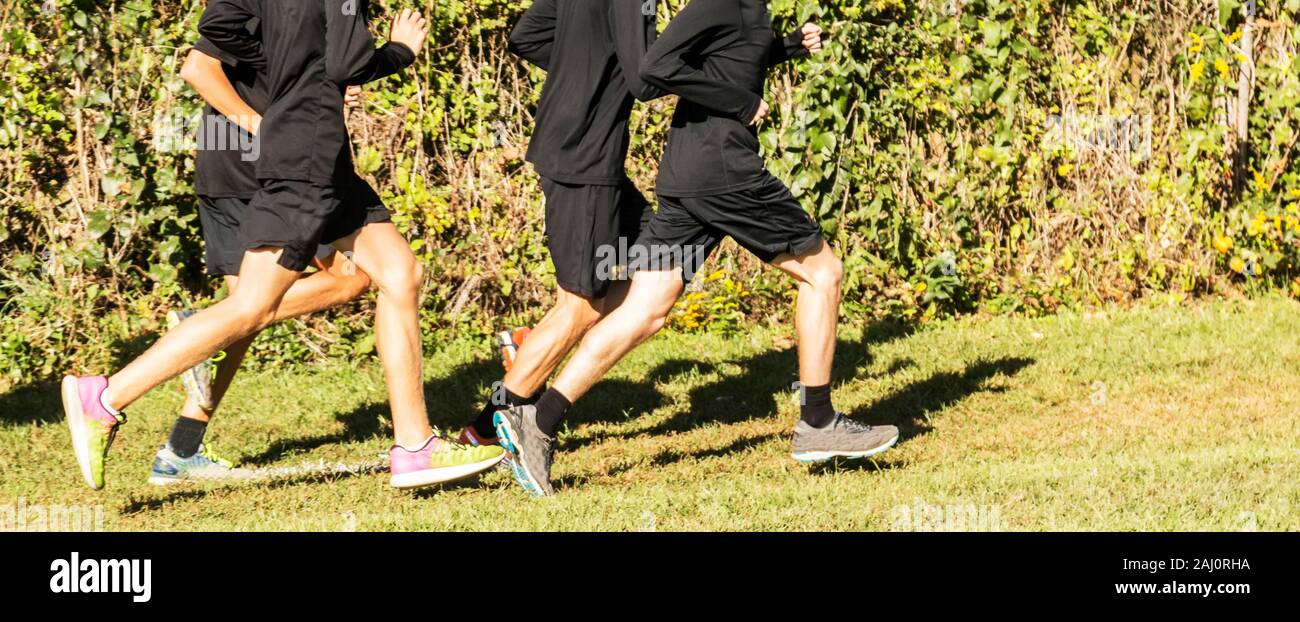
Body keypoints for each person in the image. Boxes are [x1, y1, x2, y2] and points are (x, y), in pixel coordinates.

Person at [61, 0, 503, 492]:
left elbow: (229, 27)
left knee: (398, 272)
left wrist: (301, 73)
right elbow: (344, 62)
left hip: (320, 159)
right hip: (298, 158)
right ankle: (106, 397)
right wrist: (396, 52)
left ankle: (415, 446)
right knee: (250, 308)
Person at [494, 0, 898, 496]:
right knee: (824, 274)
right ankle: (817, 420)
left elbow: (721, 56)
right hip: (727, 177)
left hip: (690, 182)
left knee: (647, 309)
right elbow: (655, 66)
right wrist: (742, 104)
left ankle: (539, 420)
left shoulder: (748, 9)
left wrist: (783, 47)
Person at [146, 33, 373, 485]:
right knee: (350, 278)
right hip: (263, 174)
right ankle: (202, 329)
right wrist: (265, 127)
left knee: (244, 315)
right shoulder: (251, 6)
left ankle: (180, 449)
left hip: (234, 170)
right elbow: (198, 68)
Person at [454, 0, 666, 451]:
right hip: (585, 163)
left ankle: (532, 342)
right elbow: (646, 77)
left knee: (660, 269)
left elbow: (525, 36)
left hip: (573, 152)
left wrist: (583, 70)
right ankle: (486, 425)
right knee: (582, 305)